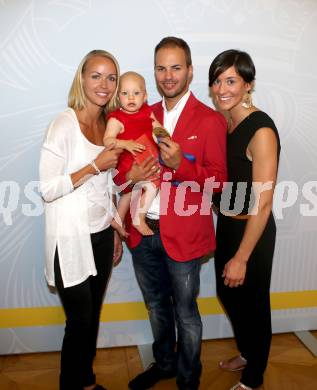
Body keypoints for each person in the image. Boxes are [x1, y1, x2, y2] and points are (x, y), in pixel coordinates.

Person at [114, 37, 227, 390]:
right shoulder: (143, 114)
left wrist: (182, 167)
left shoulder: (209, 120)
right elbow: (121, 168)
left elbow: (219, 184)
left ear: (190, 71)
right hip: (142, 230)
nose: (168, 75)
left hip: (185, 235)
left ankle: (189, 378)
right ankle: (163, 364)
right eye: (161, 68)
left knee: (186, 314)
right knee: (155, 307)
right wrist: (126, 179)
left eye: (176, 67)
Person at [39, 49, 123, 390]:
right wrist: (94, 165)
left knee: (93, 318)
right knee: (79, 320)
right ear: (82, 78)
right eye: (96, 75)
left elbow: (108, 187)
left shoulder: (110, 124)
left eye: (111, 77)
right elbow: (47, 188)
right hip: (69, 240)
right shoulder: (63, 123)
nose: (104, 84)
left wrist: (116, 229)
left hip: (102, 235)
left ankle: (86, 382)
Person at [209, 49, 280, 390]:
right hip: (228, 223)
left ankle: (254, 376)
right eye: (217, 80)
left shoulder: (261, 130)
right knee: (227, 293)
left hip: (254, 230)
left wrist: (242, 257)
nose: (222, 88)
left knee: (253, 303)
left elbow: (263, 203)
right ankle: (250, 352)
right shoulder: (224, 121)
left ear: (248, 85)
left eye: (231, 80)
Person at [103, 71, 162, 237]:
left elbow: (158, 129)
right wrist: (125, 143)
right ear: (118, 97)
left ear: (144, 96)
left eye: (136, 93)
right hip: (127, 164)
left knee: (129, 193)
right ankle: (139, 217)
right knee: (152, 186)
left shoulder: (147, 113)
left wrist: (165, 138)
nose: (130, 98)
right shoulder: (116, 119)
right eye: (125, 93)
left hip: (144, 159)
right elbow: (107, 140)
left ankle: (117, 219)